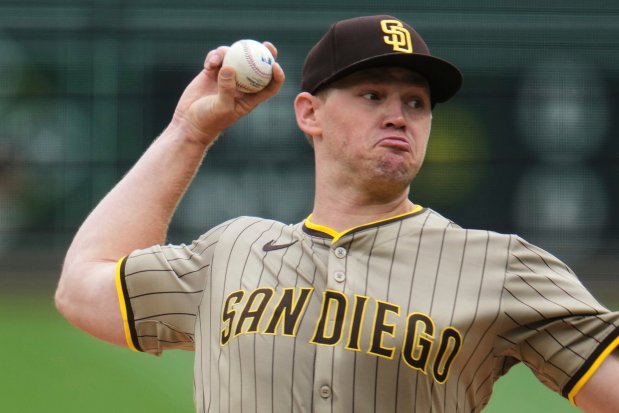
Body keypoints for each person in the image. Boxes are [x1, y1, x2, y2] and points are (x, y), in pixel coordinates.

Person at [55, 15, 619, 413]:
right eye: (373, 95)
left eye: (416, 103)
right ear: (309, 114)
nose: (399, 115)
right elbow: (82, 290)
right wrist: (190, 130)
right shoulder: (230, 252)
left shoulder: (502, 267)